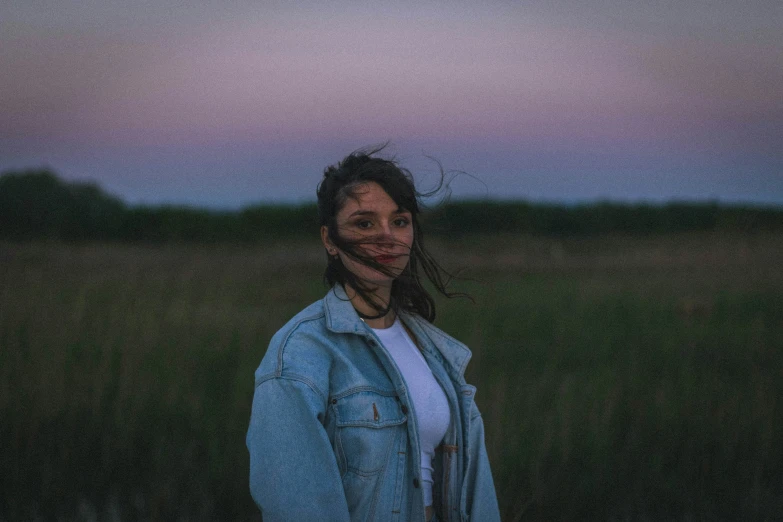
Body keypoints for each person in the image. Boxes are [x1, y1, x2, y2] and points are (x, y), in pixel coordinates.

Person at [246, 147, 500, 522]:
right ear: (329, 239)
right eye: (364, 223)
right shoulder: (299, 355)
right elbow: (299, 507)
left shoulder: (434, 348)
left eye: (399, 221)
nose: (387, 237)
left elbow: (476, 494)